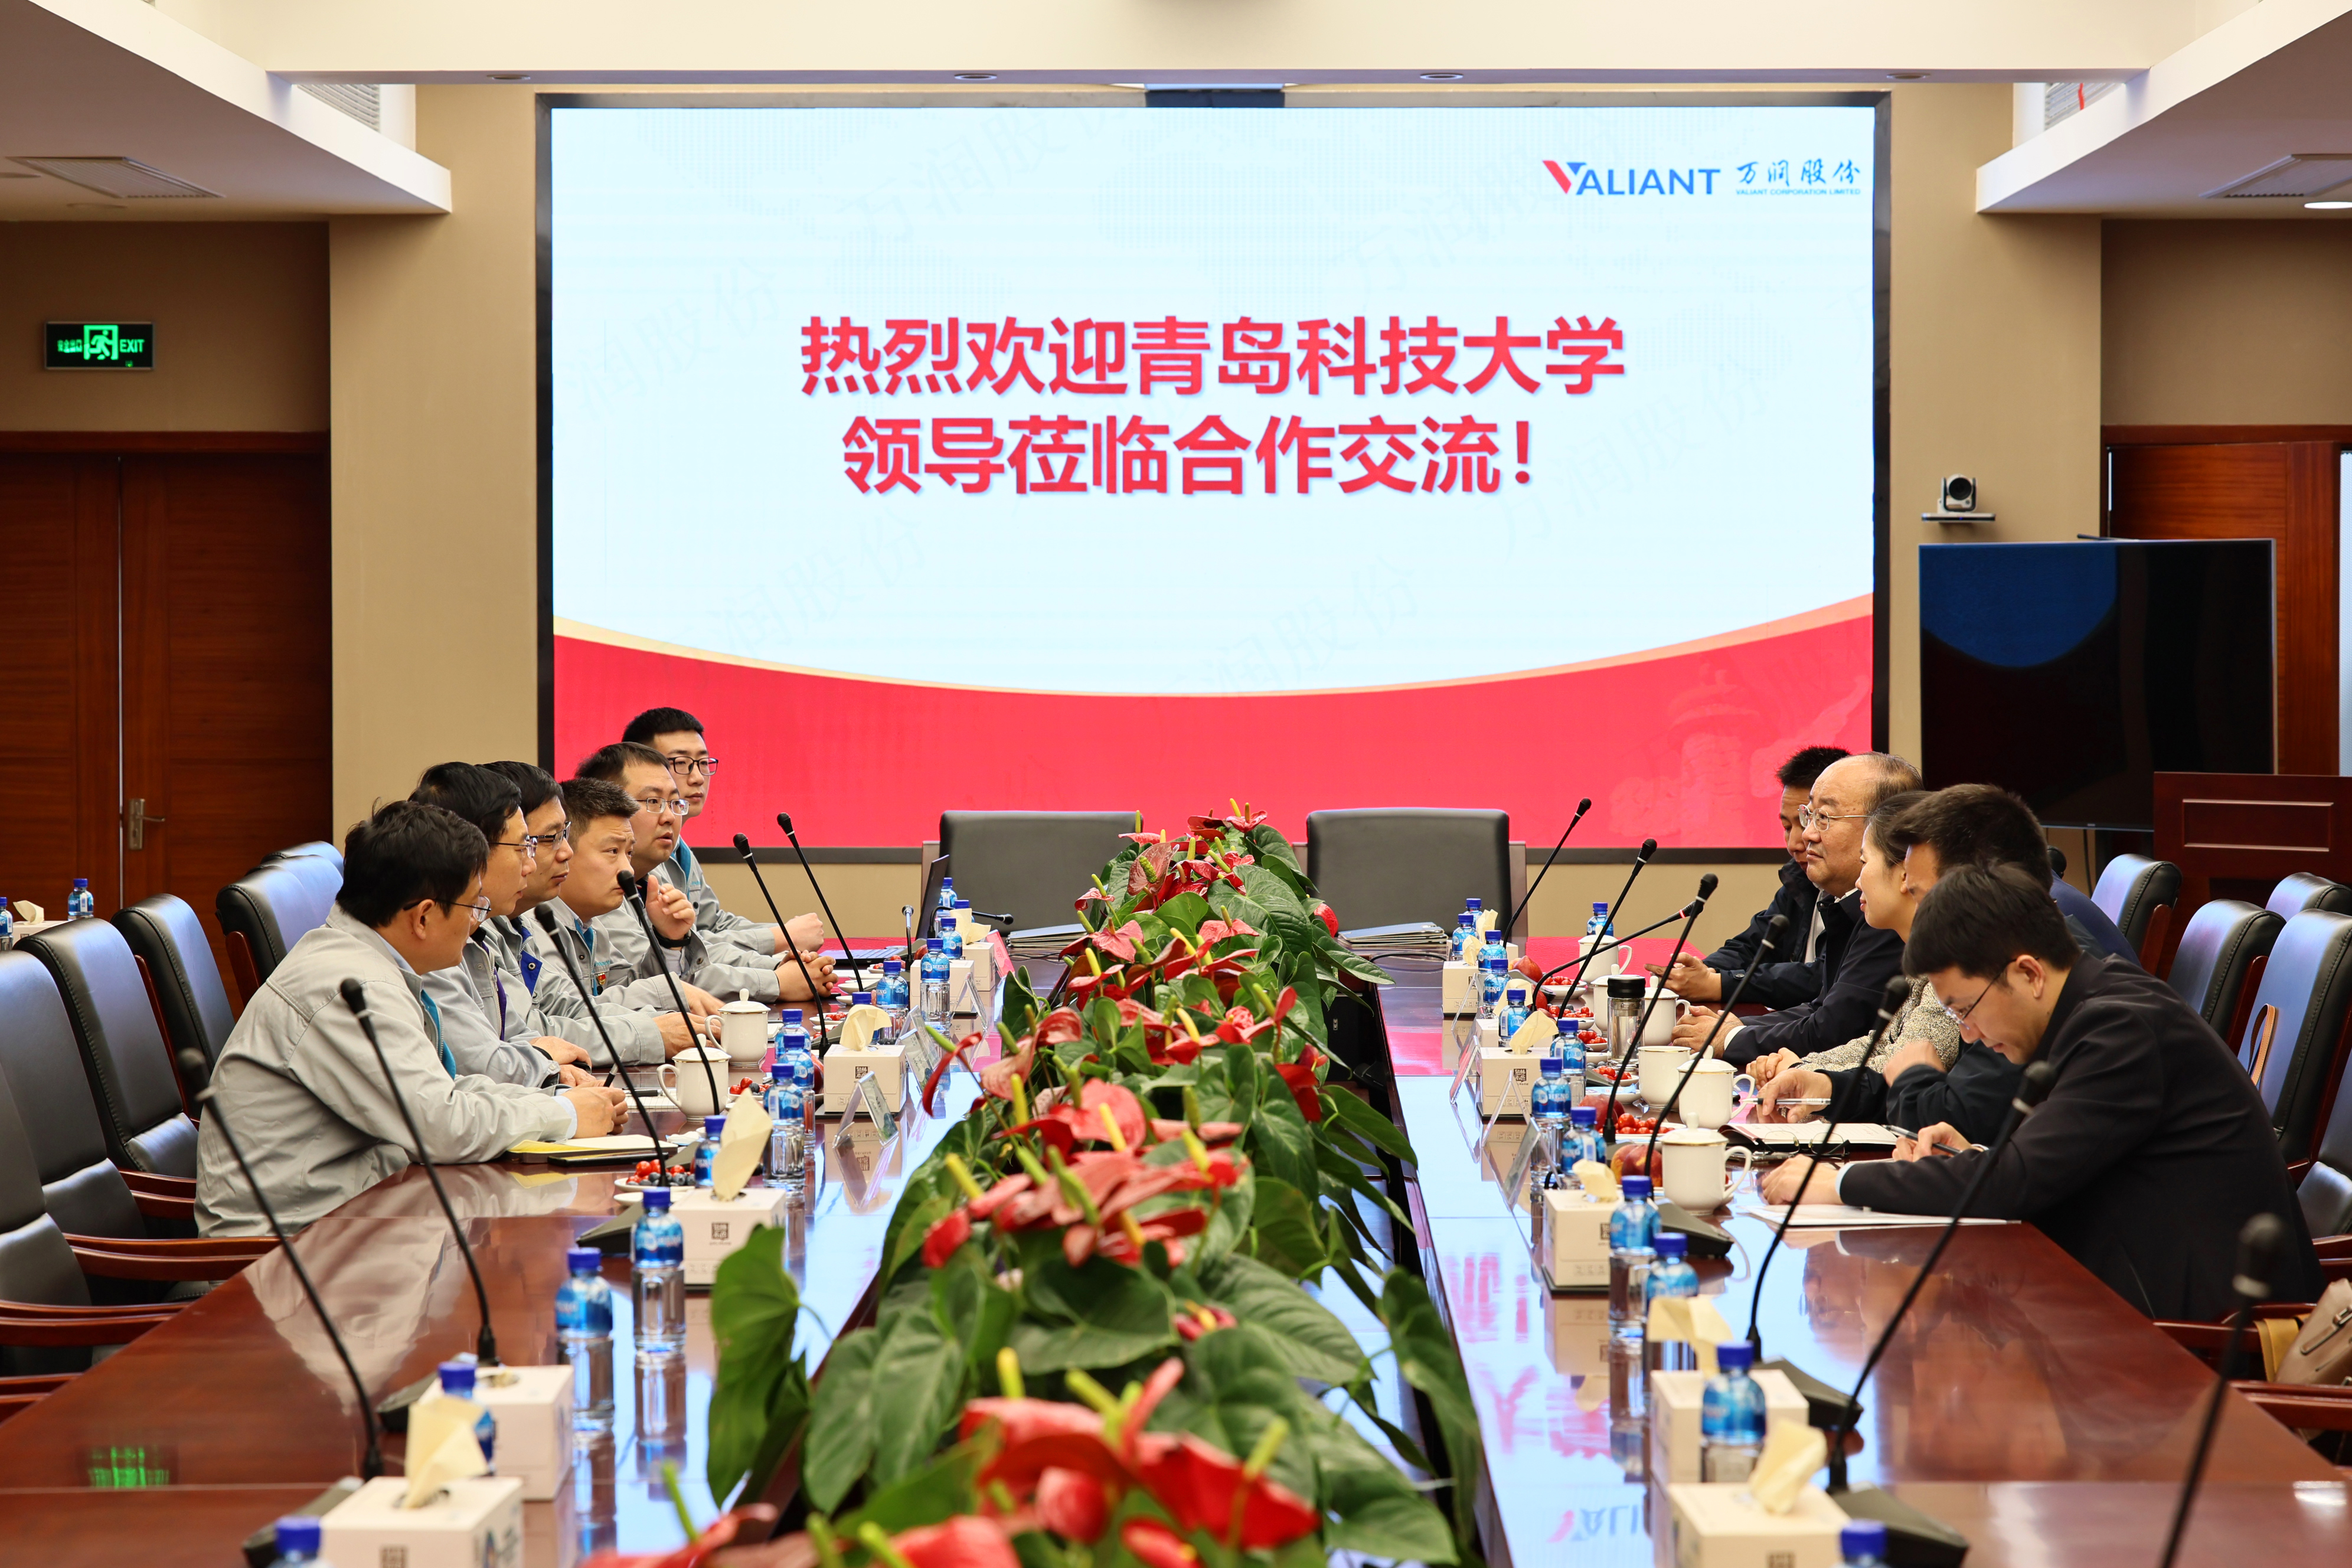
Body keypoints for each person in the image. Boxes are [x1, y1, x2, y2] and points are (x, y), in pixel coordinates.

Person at [1759, 864, 2321, 1322]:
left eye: (1965, 1010)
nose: (1968, 1035)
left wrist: (1838, 1183)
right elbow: (2055, 1167)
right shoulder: (2093, 1011)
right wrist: (1977, 1156)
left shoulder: (2121, 1029)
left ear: (2028, 973)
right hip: (2131, 1301)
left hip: (2199, 1342)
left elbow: (2016, 1182)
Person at [195, 801, 626, 1235]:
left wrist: (553, 1101)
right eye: (474, 906)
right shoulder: (351, 990)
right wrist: (562, 1115)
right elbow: (441, 1127)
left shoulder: (365, 960)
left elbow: (440, 1091)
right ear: (422, 917)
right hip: (286, 1254)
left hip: (357, 1220)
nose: (477, 922)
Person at [1757, 785, 2130, 1142]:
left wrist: (1845, 1179)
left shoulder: (2034, 976)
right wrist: (1829, 1086)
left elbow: (1965, 1114)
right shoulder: (2003, 951)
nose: (1921, 909)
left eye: (1921, 893)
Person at [1674, 752, 1923, 1068]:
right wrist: (1734, 1028)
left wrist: (1730, 1036)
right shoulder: (1851, 902)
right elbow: (1821, 1008)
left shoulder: (1892, 920)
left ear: (1888, 830)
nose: (1805, 836)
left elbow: (1836, 1031)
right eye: (1810, 816)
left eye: (1825, 818)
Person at [575, 741, 834, 1003]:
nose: (669, 816)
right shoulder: (598, 889)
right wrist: (776, 979)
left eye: (674, 802)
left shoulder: (655, 873)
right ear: (607, 808)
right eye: (654, 801)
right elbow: (661, 982)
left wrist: (777, 967)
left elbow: (697, 950)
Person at [1744, 791, 1959, 1084]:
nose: (1859, 881)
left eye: (1864, 862)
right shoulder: (1924, 952)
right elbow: (1881, 1045)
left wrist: (1805, 1072)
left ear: (1905, 873)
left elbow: (1904, 1064)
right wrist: (1804, 1067)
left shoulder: (1953, 962)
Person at [409, 762, 598, 1088]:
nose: (530, 864)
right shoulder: (430, 944)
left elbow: (519, 1034)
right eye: (524, 846)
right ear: (472, 851)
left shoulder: (480, 932)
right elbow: (479, 1065)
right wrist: (552, 1080)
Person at [522, 776, 724, 1064]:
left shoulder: (593, 926)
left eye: (629, 853)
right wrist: (659, 1015)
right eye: (612, 852)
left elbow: (619, 991)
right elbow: (560, 1019)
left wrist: (669, 942)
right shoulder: (535, 926)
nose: (627, 869)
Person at [620, 706, 825, 958]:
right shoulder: (639, 855)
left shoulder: (679, 847)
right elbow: (679, 947)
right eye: (681, 763)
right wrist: (779, 939)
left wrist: (786, 932)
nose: (698, 778)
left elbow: (712, 924)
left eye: (703, 763)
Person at [1658, 744, 1848, 1008]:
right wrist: (1698, 973)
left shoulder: (1865, 897)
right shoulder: (1802, 880)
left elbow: (1824, 978)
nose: (1795, 843)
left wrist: (1718, 984)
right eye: (1787, 827)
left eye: (1809, 822)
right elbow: (1752, 946)